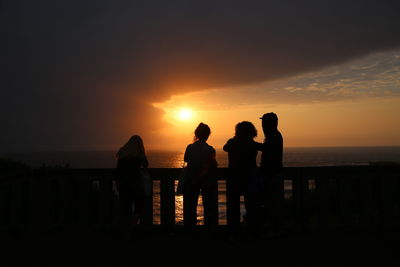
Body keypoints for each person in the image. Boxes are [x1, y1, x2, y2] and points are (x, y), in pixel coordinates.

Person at [223, 121, 262, 238]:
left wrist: (235, 137)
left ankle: (233, 232)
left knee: (233, 207)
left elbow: (225, 147)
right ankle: (251, 231)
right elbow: (264, 147)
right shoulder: (252, 144)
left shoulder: (232, 143)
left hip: (234, 178)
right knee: (251, 206)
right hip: (249, 177)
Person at [183, 123, 218, 230]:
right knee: (208, 207)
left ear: (196, 134)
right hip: (206, 181)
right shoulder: (210, 149)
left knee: (190, 207)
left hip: (191, 180)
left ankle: (190, 230)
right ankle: (208, 230)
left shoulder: (190, 147)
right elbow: (213, 165)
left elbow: (186, 159)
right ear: (208, 135)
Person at [115, 135, 149, 238]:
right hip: (135, 184)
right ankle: (131, 228)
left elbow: (118, 171)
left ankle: (125, 231)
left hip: (123, 184)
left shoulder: (122, 152)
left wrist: (118, 183)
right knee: (139, 207)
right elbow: (146, 164)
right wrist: (142, 152)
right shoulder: (138, 153)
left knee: (125, 208)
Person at [259, 112, 284, 235]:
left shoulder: (273, 136)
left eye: (264, 123)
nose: (262, 125)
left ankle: (274, 231)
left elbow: (266, 150)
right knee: (272, 204)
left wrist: (248, 143)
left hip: (272, 175)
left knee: (272, 204)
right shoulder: (274, 135)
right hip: (272, 174)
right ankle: (274, 230)